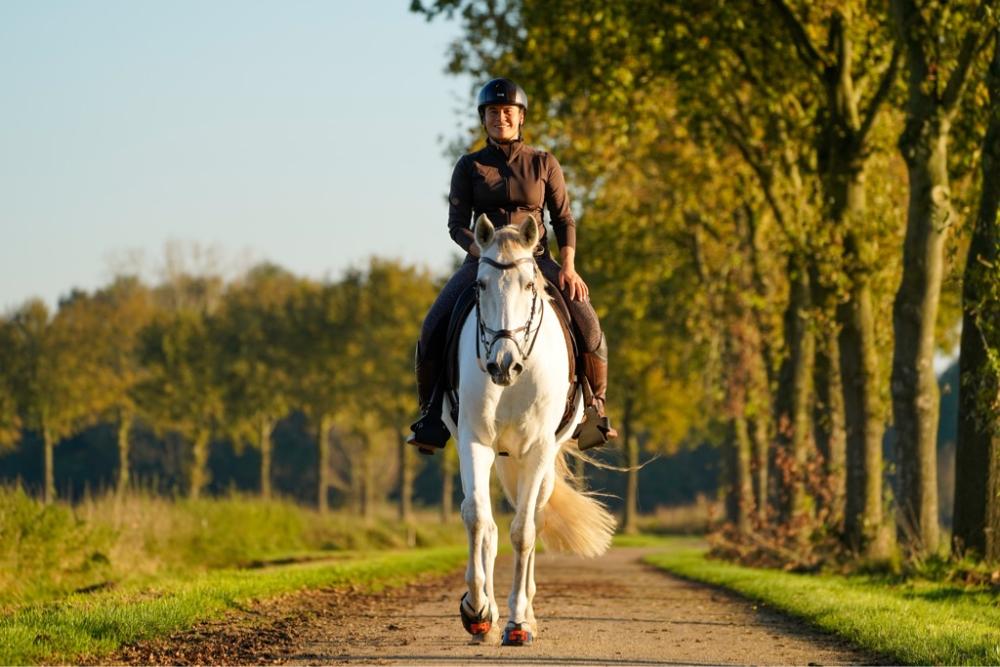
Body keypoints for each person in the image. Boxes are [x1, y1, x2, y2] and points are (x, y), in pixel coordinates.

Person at [407, 77, 618, 451]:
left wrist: (568, 266)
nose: (500, 118)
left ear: (520, 118)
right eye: (492, 113)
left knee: (587, 320)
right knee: (432, 326)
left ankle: (595, 412)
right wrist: (482, 253)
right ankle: (430, 416)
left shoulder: (543, 163)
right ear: (484, 119)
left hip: (535, 261)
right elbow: (457, 226)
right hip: (483, 262)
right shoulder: (468, 166)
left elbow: (564, 219)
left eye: (507, 112)